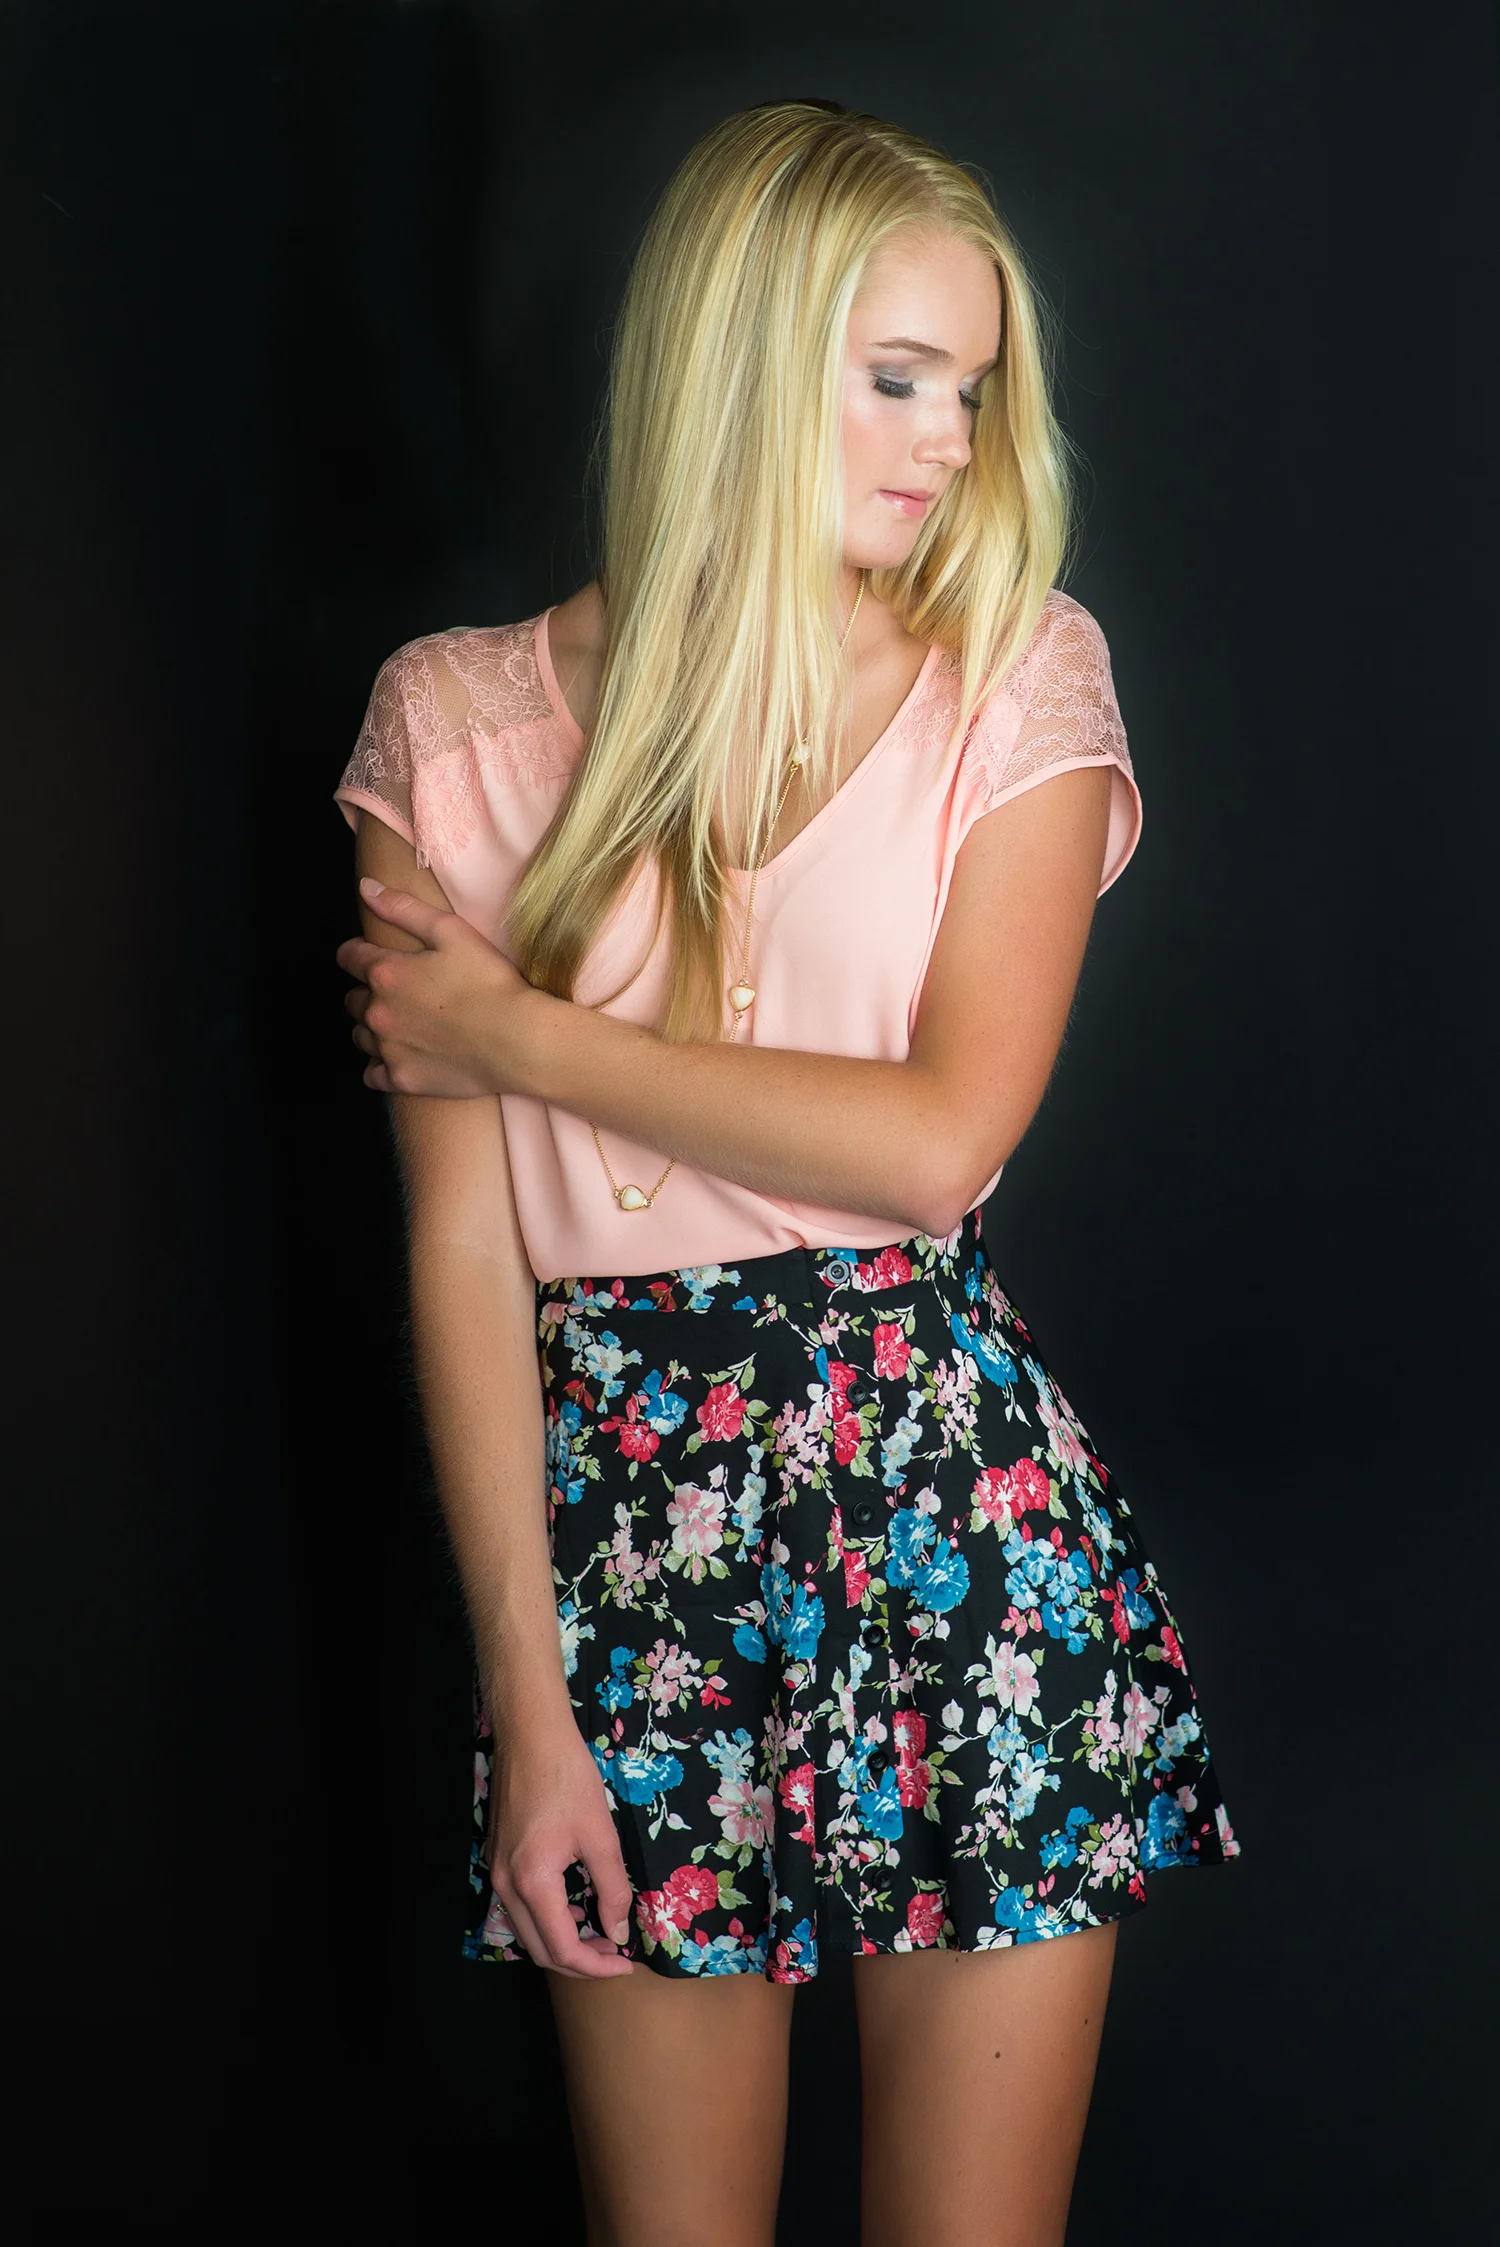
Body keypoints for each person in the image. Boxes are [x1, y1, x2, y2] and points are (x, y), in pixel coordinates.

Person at [331, 98, 1238, 2247]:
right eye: (897, 376)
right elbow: (464, 1254)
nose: (946, 444)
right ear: (742, 356)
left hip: (959, 1519)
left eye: (974, 390)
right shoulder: (453, 727)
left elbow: (941, 1142)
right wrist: (528, 1704)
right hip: (624, 1545)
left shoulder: (1018, 674)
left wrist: (526, 1039)